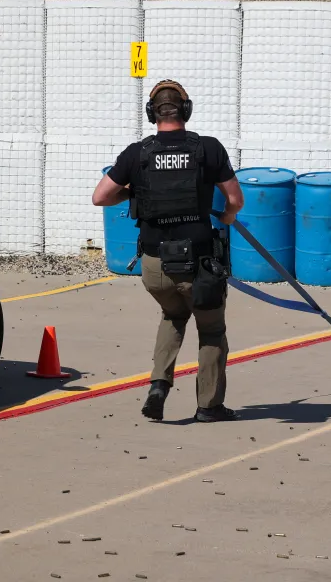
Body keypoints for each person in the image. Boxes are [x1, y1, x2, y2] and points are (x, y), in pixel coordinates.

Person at [93, 80, 245, 423]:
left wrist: (133, 194)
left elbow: (100, 196)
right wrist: (227, 216)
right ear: (186, 110)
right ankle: (208, 406)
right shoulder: (208, 149)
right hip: (199, 265)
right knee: (211, 331)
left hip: (155, 267)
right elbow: (235, 200)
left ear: (152, 114)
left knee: (173, 315)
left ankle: (159, 386)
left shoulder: (138, 153)